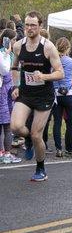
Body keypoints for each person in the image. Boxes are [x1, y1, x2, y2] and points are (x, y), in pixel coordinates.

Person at [10, 11, 64, 181]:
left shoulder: (48, 47)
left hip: (44, 96)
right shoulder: (18, 45)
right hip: (25, 94)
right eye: (26, 24)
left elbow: (60, 73)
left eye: (33, 25)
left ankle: (41, 168)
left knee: (36, 135)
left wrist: (45, 76)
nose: (29, 28)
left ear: (40, 26)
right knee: (16, 127)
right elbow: (14, 67)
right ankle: (27, 141)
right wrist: (16, 86)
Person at [0, 29, 21, 164]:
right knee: (7, 125)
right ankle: (6, 152)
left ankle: (3, 151)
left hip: (7, 90)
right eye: (13, 40)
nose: (14, 43)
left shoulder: (9, 54)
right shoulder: (5, 54)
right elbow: (7, 71)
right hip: (4, 92)